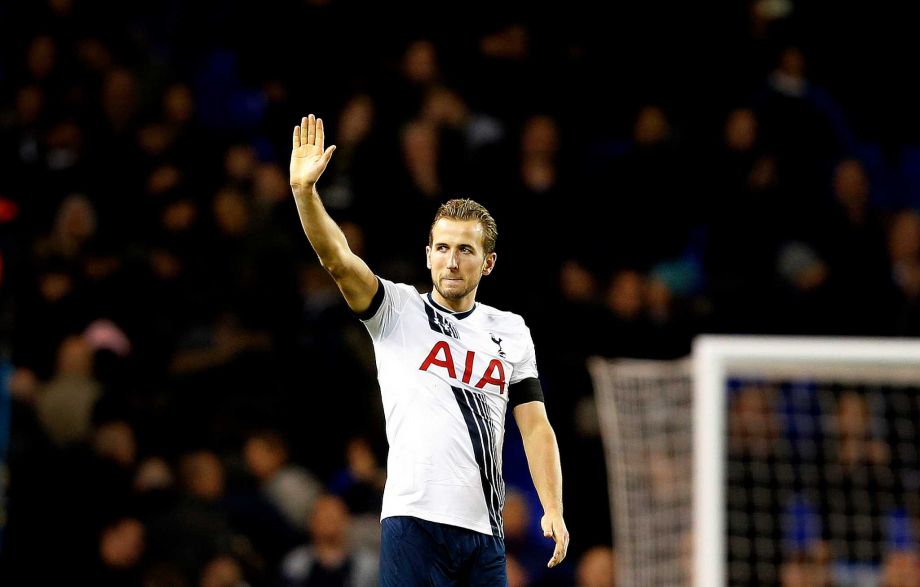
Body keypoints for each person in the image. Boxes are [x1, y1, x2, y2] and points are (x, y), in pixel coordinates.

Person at [289, 114, 569, 585]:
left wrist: (553, 508)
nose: (451, 260)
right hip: (412, 522)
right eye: (441, 248)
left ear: (488, 262)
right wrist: (304, 194)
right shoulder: (396, 310)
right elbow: (337, 259)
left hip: (485, 533)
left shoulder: (511, 330)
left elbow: (535, 425)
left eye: (464, 250)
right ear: (427, 255)